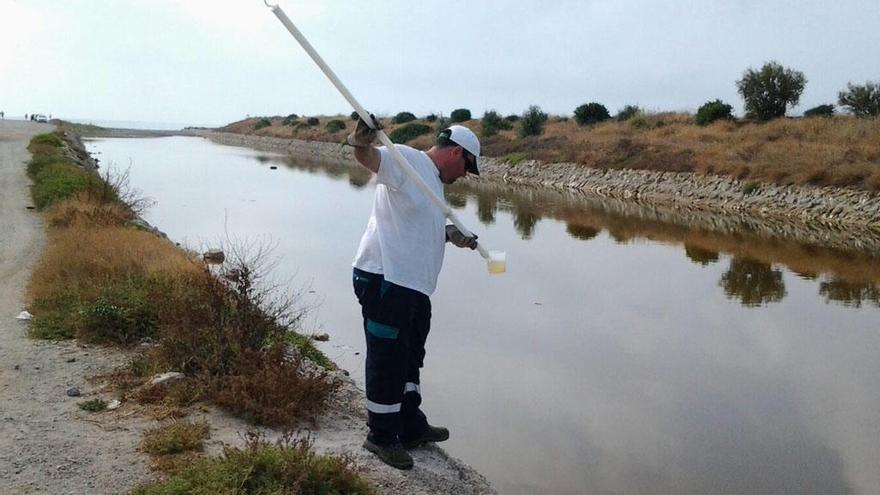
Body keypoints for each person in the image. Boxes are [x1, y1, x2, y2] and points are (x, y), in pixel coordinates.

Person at [347, 116, 480, 469]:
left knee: (409, 356)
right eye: (468, 166)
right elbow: (370, 158)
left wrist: (449, 233)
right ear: (456, 152)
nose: (466, 175)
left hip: (412, 287)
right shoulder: (408, 160)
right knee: (387, 358)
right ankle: (381, 436)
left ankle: (409, 425)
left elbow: (418, 225)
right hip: (384, 279)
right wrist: (361, 140)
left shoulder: (432, 182)